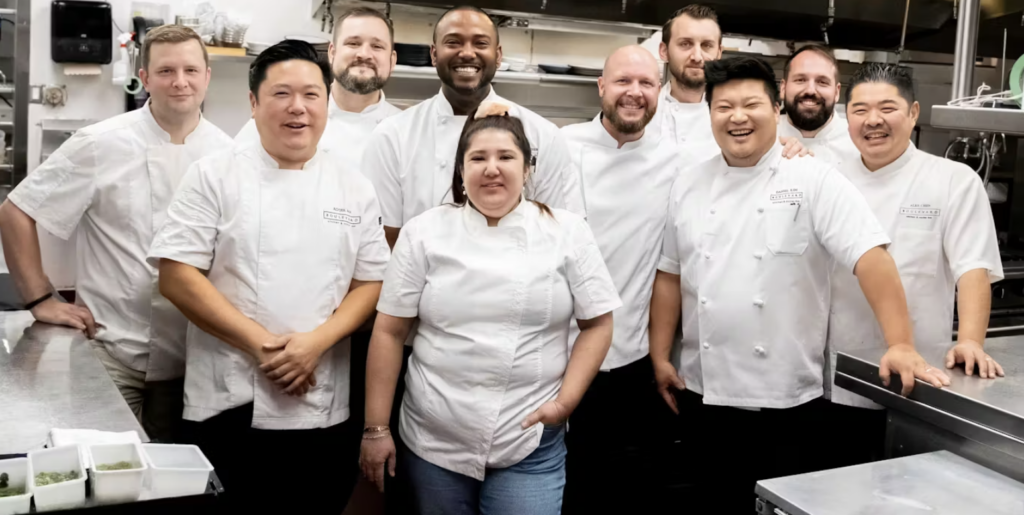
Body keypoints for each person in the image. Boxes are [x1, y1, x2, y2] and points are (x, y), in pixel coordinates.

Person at [648, 56, 951, 512]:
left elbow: (871, 257)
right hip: (701, 394)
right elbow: (671, 273)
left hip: (788, 403)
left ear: (776, 109)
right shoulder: (689, 184)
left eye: (751, 104)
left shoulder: (813, 178)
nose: (737, 117)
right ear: (709, 114)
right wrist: (658, 353)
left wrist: (901, 343)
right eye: (723, 106)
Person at [147, 40, 389, 513]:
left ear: (326, 103)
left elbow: (371, 283)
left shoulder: (353, 185)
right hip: (230, 401)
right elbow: (177, 276)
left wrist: (314, 345)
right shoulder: (213, 175)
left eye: (311, 95)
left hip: (323, 404)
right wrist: (265, 348)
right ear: (254, 103)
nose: (297, 108)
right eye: (281, 94)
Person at [359, 103, 620, 515]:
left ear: (528, 168)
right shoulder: (424, 233)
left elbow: (598, 324)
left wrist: (565, 403)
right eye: (477, 158)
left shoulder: (566, 232)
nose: (491, 168)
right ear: (461, 171)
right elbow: (389, 332)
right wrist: (376, 429)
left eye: (506, 157)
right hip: (434, 438)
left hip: (530, 436)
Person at [0, 25, 231, 442]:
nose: (180, 82)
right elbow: (16, 211)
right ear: (144, 78)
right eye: (165, 71)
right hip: (112, 351)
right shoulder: (100, 143)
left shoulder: (229, 155)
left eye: (191, 70)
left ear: (207, 76)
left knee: (183, 485)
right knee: (110, 477)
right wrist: (39, 299)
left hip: (194, 362)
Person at [826, 63, 1005, 469]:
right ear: (846, 116)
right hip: (836, 375)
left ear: (913, 113)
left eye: (887, 108)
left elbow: (972, 269)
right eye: (859, 110)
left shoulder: (952, 180)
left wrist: (972, 341)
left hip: (919, 377)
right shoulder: (828, 181)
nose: (873, 121)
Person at [558, 45, 680, 513]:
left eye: (647, 83)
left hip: (630, 361)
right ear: (601, 87)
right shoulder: (559, 146)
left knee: (623, 493)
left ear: (660, 93)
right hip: (553, 354)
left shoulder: (678, 162)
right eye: (623, 81)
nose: (634, 93)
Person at [363, 5, 585, 249]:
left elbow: (562, 232)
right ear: (434, 54)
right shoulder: (393, 136)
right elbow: (385, 240)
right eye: (453, 42)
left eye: (480, 43)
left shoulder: (543, 136)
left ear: (498, 56)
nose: (467, 53)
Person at [235, 6, 401, 173]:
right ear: (332, 52)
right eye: (353, 43)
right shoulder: (282, 115)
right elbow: (234, 176)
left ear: (392, 60)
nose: (364, 54)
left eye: (377, 46)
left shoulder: (406, 130)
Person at [657, 4, 807, 163]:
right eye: (685, 44)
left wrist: (791, 149)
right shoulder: (642, 113)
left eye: (707, 45)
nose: (697, 56)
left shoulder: (735, 118)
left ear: (719, 52)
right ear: (664, 51)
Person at [777, 44, 860, 169]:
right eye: (800, 80)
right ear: (783, 88)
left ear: (837, 92)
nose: (810, 90)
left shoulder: (857, 141)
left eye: (822, 82)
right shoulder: (764, 136)